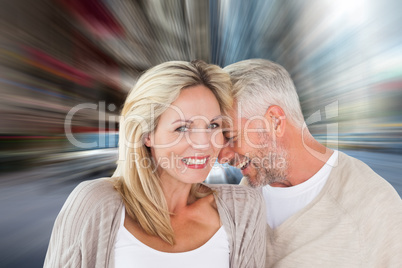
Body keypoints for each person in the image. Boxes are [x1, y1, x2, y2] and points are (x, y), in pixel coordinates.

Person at [44, 60, 266, 268]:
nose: (203, 143)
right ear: (147, 135)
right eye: (182, 128)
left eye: (213, 125)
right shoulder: (96, 203)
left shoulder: (243, 208)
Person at [218, 58, 402, 267]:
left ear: (275, 121)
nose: (221, 157)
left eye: (230, 136)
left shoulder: (372, 205)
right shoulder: (237, 206)